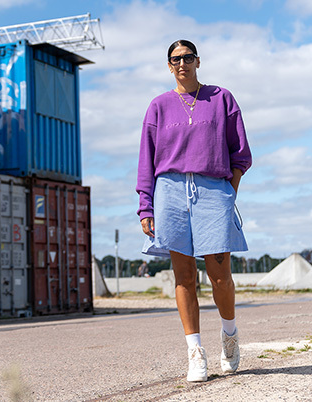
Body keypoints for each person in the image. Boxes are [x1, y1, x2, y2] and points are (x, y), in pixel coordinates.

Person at [136, 40, 252, 382]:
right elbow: (146, 160)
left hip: (213, 189)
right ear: (168, 66)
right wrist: (145, 205)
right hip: (170, 192)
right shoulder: (158, 106)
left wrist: (229, 192)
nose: (182, 63)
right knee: (184, 276)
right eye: (175, 59)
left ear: (198, 61)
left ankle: (229, 334)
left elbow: (240, 154)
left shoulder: (221, 98)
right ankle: (195, 352)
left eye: (188, 57)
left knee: (219, 274)